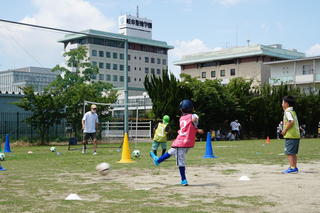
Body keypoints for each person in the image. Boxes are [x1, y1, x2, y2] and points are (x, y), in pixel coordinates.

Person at [149, 99, 204, 186]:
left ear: (182, 110)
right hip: (184, 142)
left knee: (173, 152)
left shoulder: (182, 118)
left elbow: (188, 126)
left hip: (182, 141)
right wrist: (196, 127)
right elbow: (194, 119)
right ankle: (183, 179)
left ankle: (157, 160)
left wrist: (196, 129)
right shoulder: (193, 116)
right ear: (191, 108)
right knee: (179, 158)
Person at [281, 96, 300, 174]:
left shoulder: (287, 112)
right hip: (296, 135)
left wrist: (284, 130)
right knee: (293, 153)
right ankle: (294, 167)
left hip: (290, 135)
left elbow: (291, 121)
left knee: (289, 153)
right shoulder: (293, 111)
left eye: (282, 102)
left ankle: (292, 168)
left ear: (286, 104)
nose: (281, 104)